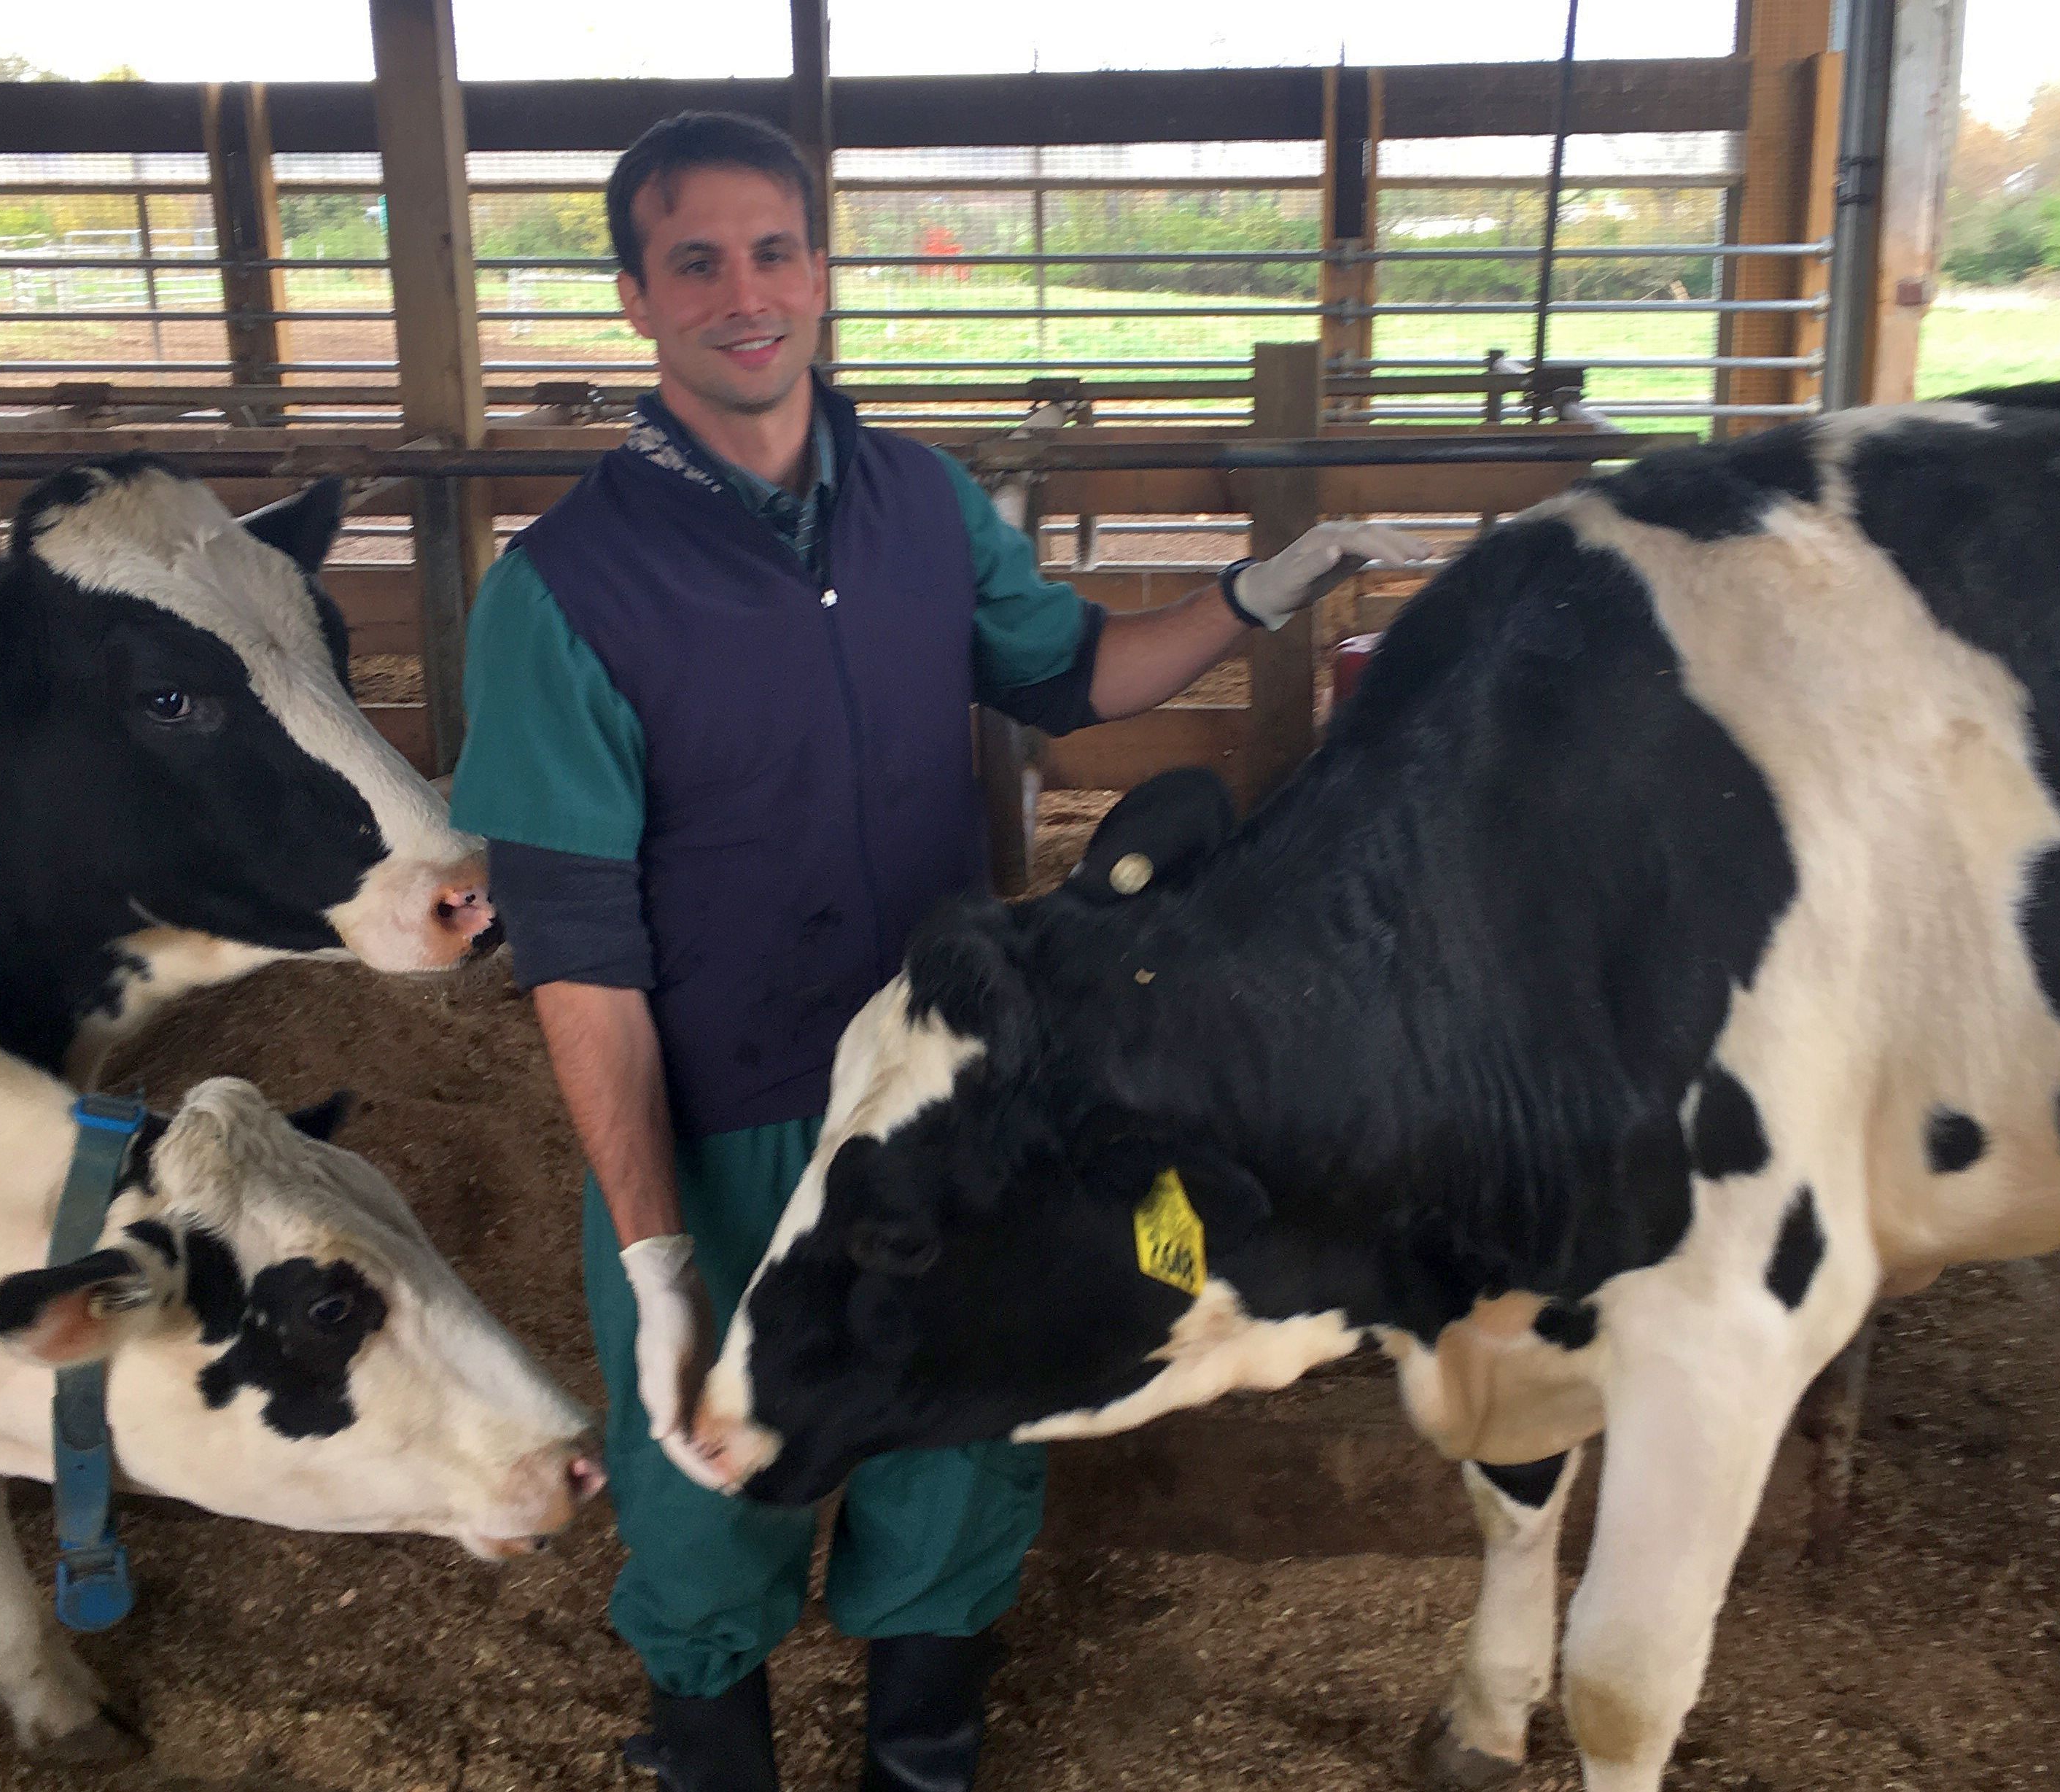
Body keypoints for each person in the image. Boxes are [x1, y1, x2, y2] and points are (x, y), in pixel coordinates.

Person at [448, 110, 1418, 1792]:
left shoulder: (919, 500)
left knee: (964, 1428)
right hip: (730, 1098)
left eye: (773, 252)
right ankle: (714, 1754)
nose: (744, 294)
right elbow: (580, 953)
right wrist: (657, 1254)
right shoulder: (564, 593)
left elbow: (1073, 674)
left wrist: (1262, 591)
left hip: (948, 1081)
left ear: (819, 273)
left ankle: (923, 1759)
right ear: (636, 298)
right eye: (697, 262)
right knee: (702, 1461)